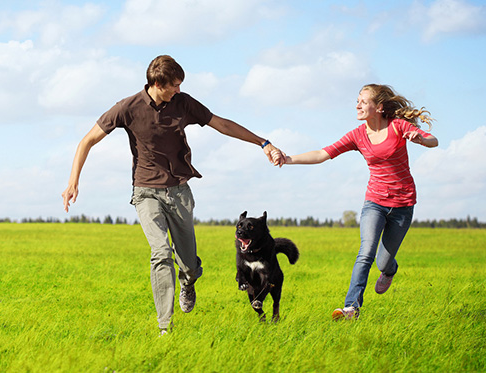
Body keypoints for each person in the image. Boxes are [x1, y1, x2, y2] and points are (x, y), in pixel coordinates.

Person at [61, 55, 284, 334]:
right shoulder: (127, 108)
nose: (178, 90)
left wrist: (262, 142)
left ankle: (188, 280)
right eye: (174, 85)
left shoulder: (184, 104)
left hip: (179, 192)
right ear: (157, 83)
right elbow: (87, 140)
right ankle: (165, 326)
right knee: (161, 253)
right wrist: (73, 182)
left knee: (188, 265)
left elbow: (221, 124)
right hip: (145, 191)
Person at [283, 84, 438, 320]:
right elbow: (323, 154)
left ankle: (390, 270)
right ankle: (351, 308)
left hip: (403, 204)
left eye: (363, 101)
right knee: (365, 252)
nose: (357, 105)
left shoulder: (398, 126)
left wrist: (420, 139)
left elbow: (433, 140)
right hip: (374, 202)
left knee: (383, 262)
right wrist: (288, 159)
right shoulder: (357, 135)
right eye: (357, 101)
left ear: (379, 107)